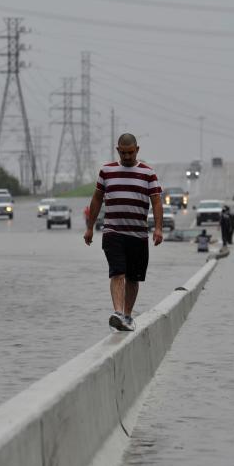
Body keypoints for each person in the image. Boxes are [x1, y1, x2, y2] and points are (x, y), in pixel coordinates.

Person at [84, 133, 164, 332]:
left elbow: (156, 201)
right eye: (123, 153)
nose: (127, 156)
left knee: (133, 278)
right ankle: (118, 313)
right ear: (117, 150)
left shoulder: (148, 173)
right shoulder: (107, 171)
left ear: (137, 150)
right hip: (113, 231)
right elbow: (96, 199)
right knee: (117, 272)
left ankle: (127, 315)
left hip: (138, 234)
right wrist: (90, 228)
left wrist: (159, 228)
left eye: (130, 152)